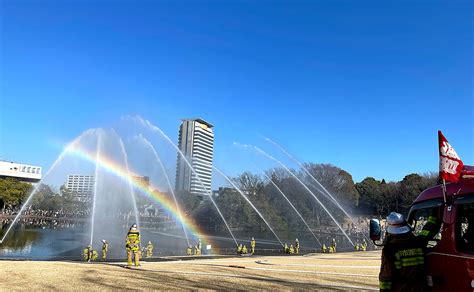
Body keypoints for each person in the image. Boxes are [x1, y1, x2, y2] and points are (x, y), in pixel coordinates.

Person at [379, 212, 440, 291]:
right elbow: (429, 229)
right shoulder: (419, 242)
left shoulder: (390, 250)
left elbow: (386, 279)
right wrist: (436, 212)